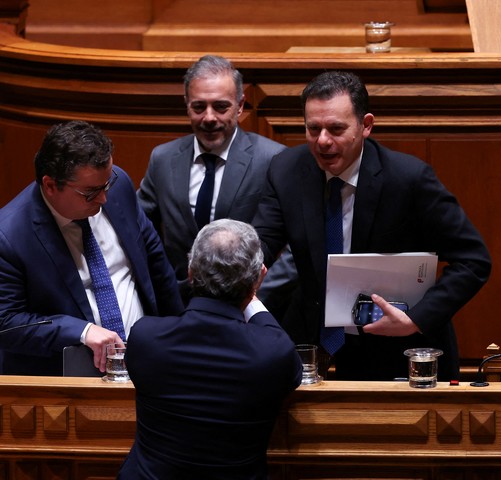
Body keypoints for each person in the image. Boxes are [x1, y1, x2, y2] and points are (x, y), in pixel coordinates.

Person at [252, 70, 492, 381]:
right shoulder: (286, 170)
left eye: (336, 129)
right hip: (311, 345)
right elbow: (262, 242)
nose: (323, 141)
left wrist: (415, 319)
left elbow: (474, 261)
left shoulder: (409, 180)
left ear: (366, 125)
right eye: (313, 129)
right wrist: (239, 268)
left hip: (397, 347)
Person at [117, 219, 302, 480]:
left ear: (191, 273)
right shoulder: (273, 352)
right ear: (259, 277)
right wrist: (252, 296)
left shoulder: (147, 337)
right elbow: (285, 358)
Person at [0, 120, 183, 376]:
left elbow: (154, 260)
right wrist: (81, 331)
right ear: (51, 186)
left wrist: (179, 330)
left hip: (147, 362)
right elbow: (6, 323)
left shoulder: (117, 186)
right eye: (90, 193)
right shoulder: (9, 236)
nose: (104, 198)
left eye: (106, 184)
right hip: (69, 379)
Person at [137, 54, 297, 313]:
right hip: (179, 308)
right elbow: (138, 231)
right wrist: (163, 289)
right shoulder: (162, 159)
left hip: (248, 308)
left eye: (221, 106)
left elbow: (298, 245)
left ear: (240, 105)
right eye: (199, 107)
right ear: (186, 104)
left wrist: (255, 298)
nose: (209, 117)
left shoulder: (272, 159)